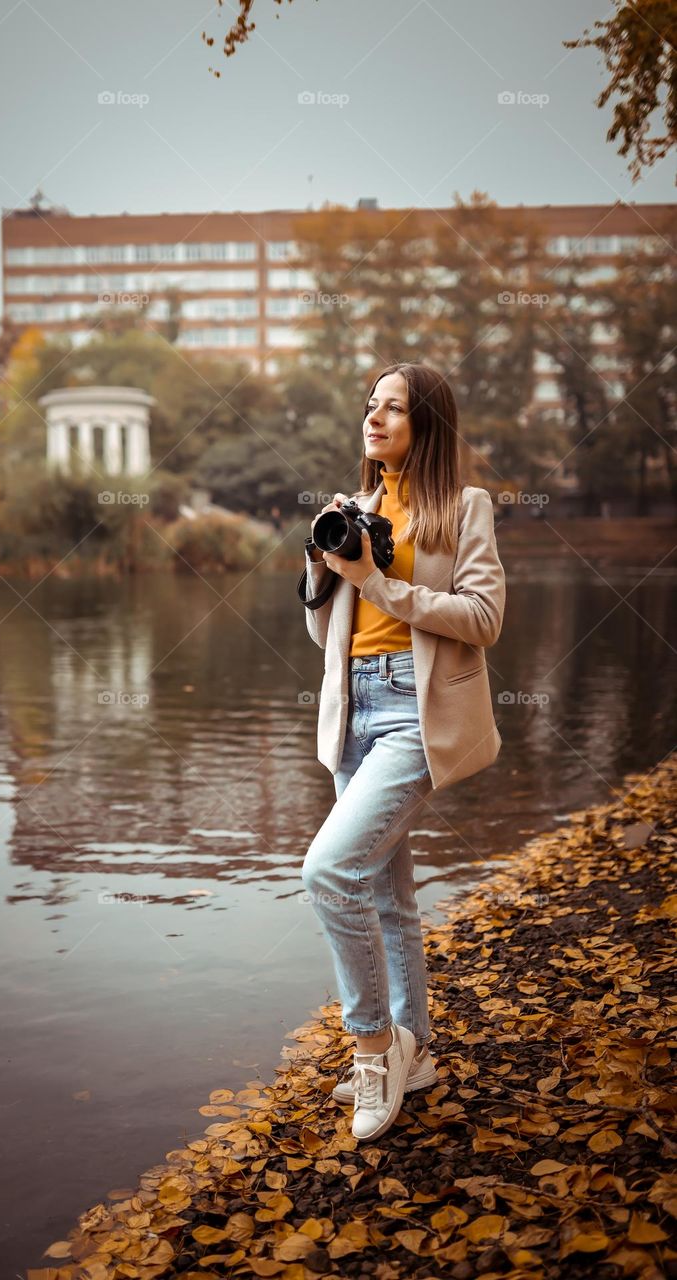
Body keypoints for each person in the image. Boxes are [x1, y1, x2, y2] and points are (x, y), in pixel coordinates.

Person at [301, 362, 506, 1142]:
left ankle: (373, 1049)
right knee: (386, 897)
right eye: (369, 406)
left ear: (427, 424)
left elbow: (483, 617)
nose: (374, 418)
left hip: (415, 718)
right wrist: (322, 571)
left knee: (327, 872)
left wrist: (378, 580)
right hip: (353, 709)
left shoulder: (462, 508)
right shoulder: (352, 507)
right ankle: (415, 1052)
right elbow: (327, 635)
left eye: (393, 407)